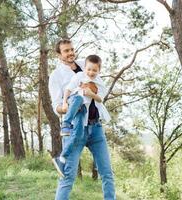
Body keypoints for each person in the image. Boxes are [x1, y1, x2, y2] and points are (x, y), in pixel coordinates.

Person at [48, 39, 116, 200]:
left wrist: (93, 93)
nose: (71, 53)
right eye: (66, 51)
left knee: (107, 173)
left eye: (72, 49)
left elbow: (98, 87)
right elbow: (56, 105)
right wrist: (69, 106)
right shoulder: (56, 75)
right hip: (74, 128)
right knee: (67, 176)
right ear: (59, 55)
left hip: (96, 128)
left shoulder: (85, 65)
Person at [52, 55, 111, 178]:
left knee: (77, 135)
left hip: (83, 111)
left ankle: (62, 158)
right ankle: (66, 124)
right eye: (89, 69)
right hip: (74, 100)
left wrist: (91, 93)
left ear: (99, 71)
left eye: (94, 70)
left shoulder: (99, 83)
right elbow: (68, 89)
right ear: (85, 68)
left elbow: (100, 99)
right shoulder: (79, 76)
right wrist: (64, 103)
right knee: (78, 98)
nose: (91, 72)